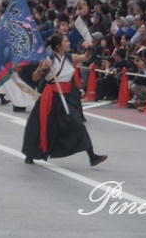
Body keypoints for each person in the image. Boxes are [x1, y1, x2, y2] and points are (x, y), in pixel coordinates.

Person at [22, 34, 107, 167]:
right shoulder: (48, 59)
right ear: (58, 46)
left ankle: (92, 156)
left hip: (67, 96)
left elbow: (85, 57)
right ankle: (30, 154)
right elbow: (34, 78)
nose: (68, 43)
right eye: (66, 41)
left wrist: (90, 48)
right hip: (51, 96)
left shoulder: (68, 57)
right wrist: (44, 68)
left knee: (78, 123)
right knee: (39, 125)